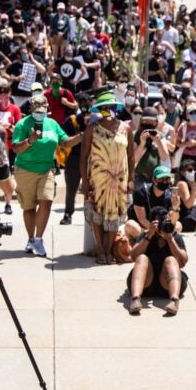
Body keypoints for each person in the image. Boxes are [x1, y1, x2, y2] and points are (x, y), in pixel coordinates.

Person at [12, 95, 82, 256]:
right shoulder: (22, 124)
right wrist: (30, 140)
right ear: (31, 109)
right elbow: (16, 148)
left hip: (47, 169)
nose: (40, 113)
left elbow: (64, 142)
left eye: (42, 109)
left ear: (47, 108)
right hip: (25, 170)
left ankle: (38, 239)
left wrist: (81, 136)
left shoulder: (52, 124)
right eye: (37, 110)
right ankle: (30, 239)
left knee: (46, 201)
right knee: (29, 207)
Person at [80, 91, 135, 265]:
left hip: (119, 180)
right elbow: (83, 157)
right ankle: (101, 251)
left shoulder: (126, 129)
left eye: (111, 107)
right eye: (104, 108)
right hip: (98, 179)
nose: (108, 110)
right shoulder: (92, 129)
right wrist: (85, 181)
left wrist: (132, 179)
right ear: (99, 110)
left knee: (114, 215)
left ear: (116, 109)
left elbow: (131, 156)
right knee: (97, 213)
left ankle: (110, 249)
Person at [127, 206, 189, 315]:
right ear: (151, 223)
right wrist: (148, 236)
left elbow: (183, 261)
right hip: (146, 285)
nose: (161, 225)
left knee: (170, 260)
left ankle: (174, 301)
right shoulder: (145, 235)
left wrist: (170, 240)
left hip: (167, 285)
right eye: (158, 222)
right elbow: (133, 256)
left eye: (164, 221)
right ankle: (135, 299)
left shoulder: (174, 237)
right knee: (142, 258)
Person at [60, 96, 92, 225]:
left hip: (91, 159)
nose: (87, 115)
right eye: (84, 112)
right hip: (73, 159)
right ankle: (68, 214)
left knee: (91, 189)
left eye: (89, 112)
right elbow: (63, 141)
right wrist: (82, 134)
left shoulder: (97, 122)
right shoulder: (71, 121)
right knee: (71, 189)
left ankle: (91, 216)